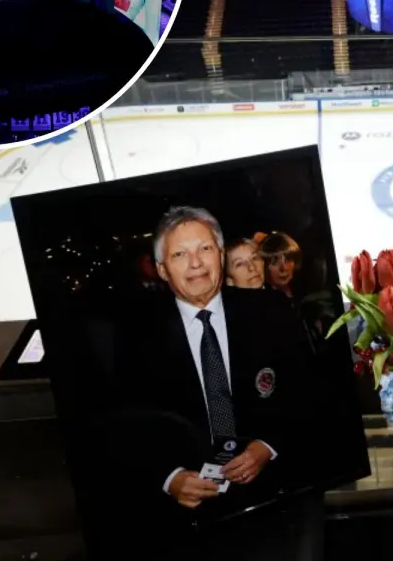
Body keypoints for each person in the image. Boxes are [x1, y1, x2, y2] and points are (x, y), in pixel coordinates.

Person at [100, 207, 311, 554]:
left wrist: (267, 446)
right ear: (163, 270)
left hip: (273, 499)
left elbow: (306, 390)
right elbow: (123, 426)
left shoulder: (269, 310)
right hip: (186, 520)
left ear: (221, 254)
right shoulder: (134, 334)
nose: (195, 263)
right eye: (180, 254)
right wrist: (169, 479)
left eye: (205, 249)